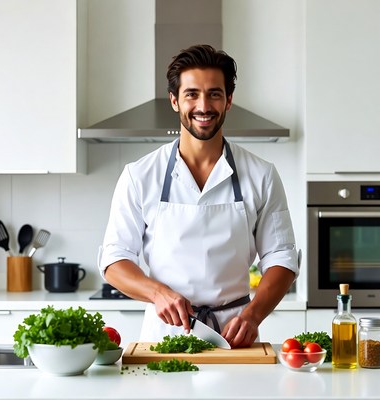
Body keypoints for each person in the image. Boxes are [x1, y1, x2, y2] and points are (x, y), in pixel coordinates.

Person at [98, 44, 299, 348]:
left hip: (235, 335)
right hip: (165, 337)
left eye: (214, 94)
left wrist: (254, 315)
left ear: (228, 100)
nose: (203, 106)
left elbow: (282, 258)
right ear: (174, 101)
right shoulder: (139, 176)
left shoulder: (262, 175)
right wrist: (156, 293)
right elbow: (114, 260)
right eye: (191, 94)